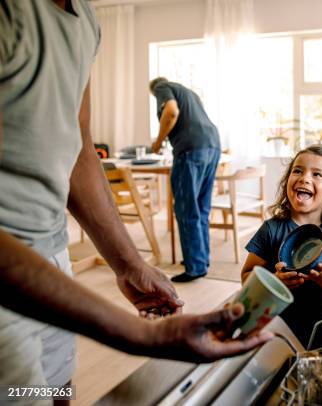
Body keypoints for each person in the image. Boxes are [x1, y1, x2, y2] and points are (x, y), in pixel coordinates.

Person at [0, 0, 270, 395]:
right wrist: (143, 337)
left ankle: (195, 265)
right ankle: (198, 265)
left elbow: (79, 147)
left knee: (58, 390)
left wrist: (128, 264)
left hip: (54, 257)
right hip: (13, 278)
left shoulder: (87, 21)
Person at [240, 145, 322, 348]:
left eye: (317, 174)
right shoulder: (271, 229)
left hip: (318, 333)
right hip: (272, 331)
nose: (305, 178)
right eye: (297, 170)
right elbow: (246, 276)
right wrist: (273, 281)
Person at [149, 77, 221, 283]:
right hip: (212, 145)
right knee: (201, 208)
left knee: (186, 209)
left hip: (190, 150)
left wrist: (159, 141)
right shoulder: (190, 93)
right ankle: (200, 259)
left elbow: (171, 112)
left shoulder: (161, 88)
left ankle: (195, 267)